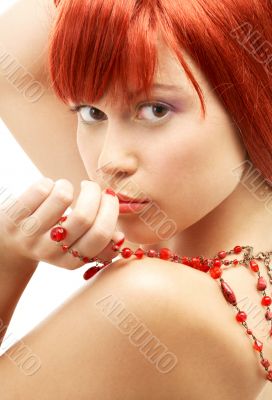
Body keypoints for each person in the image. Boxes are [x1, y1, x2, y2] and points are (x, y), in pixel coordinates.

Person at [0, 0, 271, 398]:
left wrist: (7, 263)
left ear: (248, 99)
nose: (110, 161)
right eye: (91, 112)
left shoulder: (150, 299)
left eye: (155, 109)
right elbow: (13, 59)